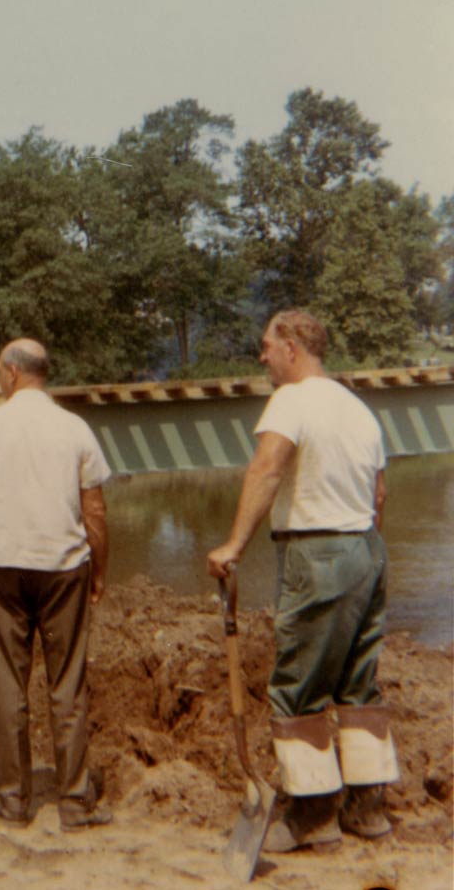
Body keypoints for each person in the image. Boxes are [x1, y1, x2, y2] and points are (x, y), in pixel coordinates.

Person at [207, 309, 398, 853]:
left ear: (291, 347)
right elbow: (379, 495)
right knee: (358, 686)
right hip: (367, 550)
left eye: (267, 346)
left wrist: (233, 546)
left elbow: (267, 468)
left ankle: (313, 815)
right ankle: (368, 810)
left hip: (317, 551)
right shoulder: (357, 408)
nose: (262, 356)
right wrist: (360, 553)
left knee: (299, 684)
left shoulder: (290, 400)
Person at [0, 338, 111, 828]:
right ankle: (74, 801)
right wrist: (99, 570)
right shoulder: (75, 428)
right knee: (68, 683)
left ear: (12, 373)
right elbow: (95, 511)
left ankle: (13, 801)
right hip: (64, 566)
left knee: (8, 683)